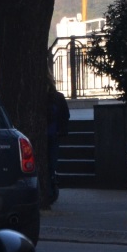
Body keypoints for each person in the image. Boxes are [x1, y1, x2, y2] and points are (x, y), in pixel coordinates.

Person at [46, 74, 71, 205]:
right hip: (52, 134)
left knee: (51, 163)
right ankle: (50, 188)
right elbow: (65, 115)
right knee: (51, 163)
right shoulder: (57, 97)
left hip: (52, 134)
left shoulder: (57, 98)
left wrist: (61, 131)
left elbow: (65, 115)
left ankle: (50, 188)